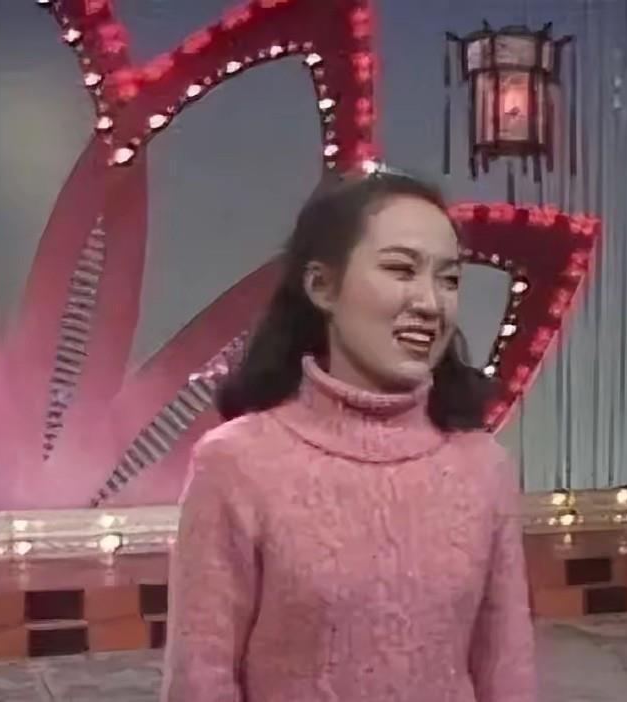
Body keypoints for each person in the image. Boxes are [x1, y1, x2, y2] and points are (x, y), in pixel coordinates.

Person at [160, 170, 536, 701]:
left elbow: (508, 669)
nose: (430, 303)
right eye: (401, 269)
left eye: (449, 279)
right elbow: (200, 680)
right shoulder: (236, 464)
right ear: (322, 286)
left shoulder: (483, 467)